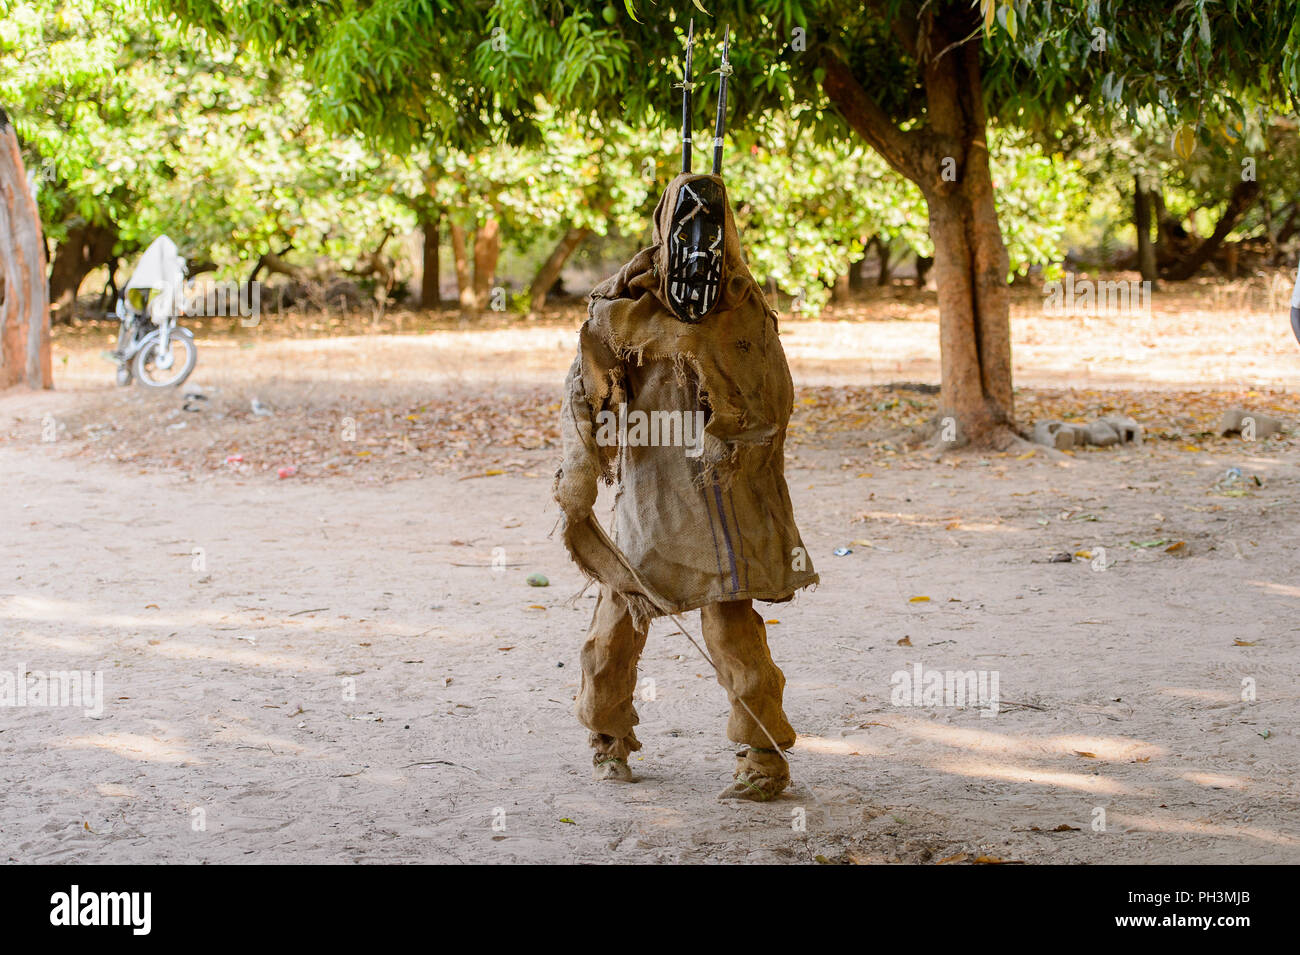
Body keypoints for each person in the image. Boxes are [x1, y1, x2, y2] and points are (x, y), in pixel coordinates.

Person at [553, 23, 817, 801]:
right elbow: (584, 397)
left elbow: (775, 401)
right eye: (685, 231)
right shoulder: (620, 312)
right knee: (612, 639)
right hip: (649, 495)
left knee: (735, 635)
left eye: (712, 230)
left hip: (718, 504)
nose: (699, 248)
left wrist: (742, 444)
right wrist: (582, 470)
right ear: (665, 233)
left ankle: (763, 755)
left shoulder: (744, 313)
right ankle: (607, 735)